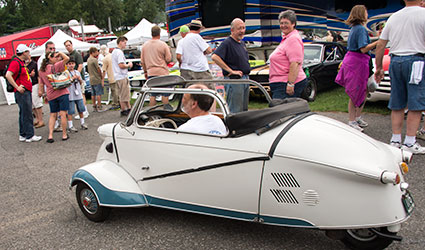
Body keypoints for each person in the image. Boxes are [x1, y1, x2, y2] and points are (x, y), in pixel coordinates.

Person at [374, 0, 425, 154]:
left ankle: (395, 140)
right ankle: (409, 142)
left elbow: (381, 44)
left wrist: (378, 67)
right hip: (416, 60)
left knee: (397, 101)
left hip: (395, 61)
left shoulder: (394, 17)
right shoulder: (423, 14)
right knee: (416, 102)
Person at [336, 5, 378, 132]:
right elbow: (363, 48)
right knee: (355, 92)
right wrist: (378, 42)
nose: (367, 14)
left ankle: (357, 117)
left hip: (358, 62)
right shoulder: (360, 29)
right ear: (361, 14)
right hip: (357, 63)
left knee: (363, 90)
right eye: (365, 12)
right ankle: (352, 120)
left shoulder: (355, 28)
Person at [212, 18, 251, 113]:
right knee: (235, 111)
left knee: (244, 110)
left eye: (243, 28)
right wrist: (231, 71)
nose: (242, 31)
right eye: (239, 29)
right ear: (232, 30)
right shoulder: (227, 43)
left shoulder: (242, 43)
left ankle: (243, 128)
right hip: (235, 81)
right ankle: (233, 128)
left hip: (245, 79)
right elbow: (215, 57)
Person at [5, 44, 42, 142]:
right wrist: (17, 87)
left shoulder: (19, 62)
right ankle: (29, 135)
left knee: (23, 113)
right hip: (23, 92)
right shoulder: (16, 62)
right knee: (27, 113)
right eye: (28, 52)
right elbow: (8, 75)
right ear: (24, 52)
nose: (29, 54)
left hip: (24, 91)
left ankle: (23, 134)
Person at [268, 10, 308, 102]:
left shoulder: (293, 39)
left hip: (286, 84)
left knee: (280, 112)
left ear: (293, 23)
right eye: (281, 23)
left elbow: (295, 63)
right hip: (280, 83)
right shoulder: (287, 38)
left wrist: (290, 84)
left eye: (286, 23)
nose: (283, 25)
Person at [38, 51, 70, 143]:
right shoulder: (55, 66)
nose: (57, 58)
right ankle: (64, 134)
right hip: (61, 92)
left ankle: (50, 135)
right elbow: (67, 58)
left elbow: (41, 84)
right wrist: (60, 52)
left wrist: (43, 94)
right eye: (55, 57)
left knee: (52, 114)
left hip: (50, 94)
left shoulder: (41, 71)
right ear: (50, 58)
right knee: (63, 114)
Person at [140, 25, 172, 106]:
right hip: (162, 72)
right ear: (159, 33)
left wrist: (145, 72)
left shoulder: (145, 45)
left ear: (151, 33)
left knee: (153, 94)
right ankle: (165, 109)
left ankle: (152, 111)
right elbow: (168, 59)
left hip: (151, 72)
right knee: (165, 93)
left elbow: (142, 61)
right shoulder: (163, 44)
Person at [64, 40, 88, 118]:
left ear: (72, 45)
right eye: (66, 46)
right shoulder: (69, 55)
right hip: (72, 80)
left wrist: (76, 75)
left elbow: (80, 65)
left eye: (69, 45)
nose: (68, 47)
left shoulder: (77, 54)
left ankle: (84, 111)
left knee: (82, 94)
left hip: (79, 78)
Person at [111, 36, 133, 116]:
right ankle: (127, 109)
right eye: (125, 42)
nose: (125, 45)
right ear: (120, 42)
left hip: (117, 76)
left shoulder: (114, 52)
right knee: (125, 94)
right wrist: (128, 65)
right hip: (122, 75)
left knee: (121, 94)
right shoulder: (119, 52)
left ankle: (124, 109)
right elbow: (121, 65)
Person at [66, 57, 88, 132]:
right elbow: (66, 83)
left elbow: (81, 82)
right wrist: (72, 78)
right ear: (67, 65)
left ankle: (82, 123)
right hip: (70, 94)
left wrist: (79, 79)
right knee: (70, 111)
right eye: (69, 64)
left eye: (72, 64)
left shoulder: (77, 72)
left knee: (81, 109)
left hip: (78, 94)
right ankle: (70, 125)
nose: (71, 65)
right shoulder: (66, 73)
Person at [26, 58, 44, 128]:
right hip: (28, 86)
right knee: (32, 104)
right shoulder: (24, 65)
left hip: (35, 84)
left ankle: (41, 120)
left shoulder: (34, 64)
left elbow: (39, 76)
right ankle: (37, 119)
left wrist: (40, 88)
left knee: (37, 103)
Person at [87, 47, 104, 112]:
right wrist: (101, 76)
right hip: (96, 78)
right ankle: (99, 106)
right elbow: (98, 69)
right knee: (98, 93)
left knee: (93, 93)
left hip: (91, 78)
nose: (97, 53)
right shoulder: (94, 60)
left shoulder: (88, 60)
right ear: (93, 52)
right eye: (96, 52)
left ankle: (94, 105)